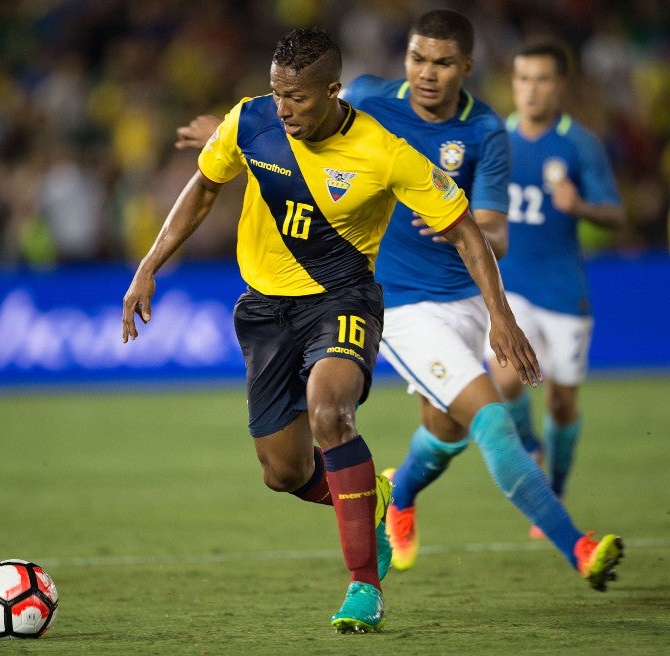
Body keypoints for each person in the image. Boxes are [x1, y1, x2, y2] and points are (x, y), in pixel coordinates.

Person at [173, 11, 623, 594]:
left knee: (445, 430)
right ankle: (580, 547)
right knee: (491, 420)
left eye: (441, 63)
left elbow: (491, 233)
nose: (426, 74)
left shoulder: (486, 130)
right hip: (403, 303)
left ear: (466, 67)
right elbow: (292, 127)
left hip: (464, 297)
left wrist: (478, 268)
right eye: (416, 59)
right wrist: (231, 132)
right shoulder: (369, 100)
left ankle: (397, 494)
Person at [125, 27, 540, 633]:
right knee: (284, 473)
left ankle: (363, 587)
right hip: (266, 310)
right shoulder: (251, 121)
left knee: (330, 413)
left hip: (342, 299)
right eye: (277, 94)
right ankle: (371, 494)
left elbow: (464, 230)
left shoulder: (384, 151)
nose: (284, 109)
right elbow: (205, 187)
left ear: (334, 90)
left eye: (298, 98)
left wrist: (500, 315)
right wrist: (148, 265)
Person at [485, 40, 626, 538]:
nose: (530, 89)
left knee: (563, 403)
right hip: (511, 289)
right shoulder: (494, 137)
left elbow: (615, 212)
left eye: (541, 79)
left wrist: (579, 205)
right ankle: (531, 450)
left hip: (564, 291)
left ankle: (558, 488)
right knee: (505, 379)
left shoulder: (579, 144)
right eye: (523, 78)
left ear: (559, 85)